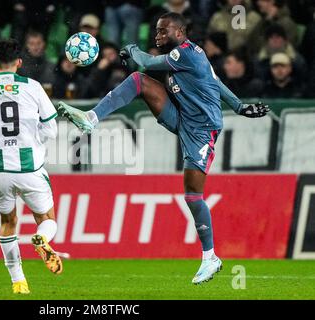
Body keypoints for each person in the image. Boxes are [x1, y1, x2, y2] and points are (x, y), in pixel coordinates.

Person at [58, 13, 270, 284]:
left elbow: (146, 60)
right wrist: (239, 106)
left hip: (202, 130)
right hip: (183, 117)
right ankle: (91, 118)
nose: (157, 36)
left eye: (163, 31)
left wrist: (132, 49)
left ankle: (210, 257)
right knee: (138, 81)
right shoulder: (185, 55)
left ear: (180, 32)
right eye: (156, 31)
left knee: (193, 195)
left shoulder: (186, 54)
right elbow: (215, 81)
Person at [0, 39, 62, 295]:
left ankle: (19, 282)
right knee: (47, 220)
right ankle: (41, 239)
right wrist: (33, 138)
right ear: (19, 62)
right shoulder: (34, 87)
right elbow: (51, 129)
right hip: (30, 168)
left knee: (8, 221)